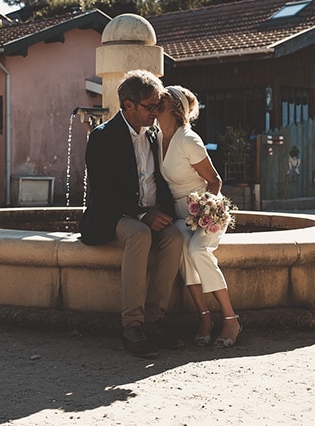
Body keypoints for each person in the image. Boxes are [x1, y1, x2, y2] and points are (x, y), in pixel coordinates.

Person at [79, 70, 185, 358]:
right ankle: (132, 326)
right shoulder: (103, 138)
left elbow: (160, 183)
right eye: (150, 106)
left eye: (157, 106)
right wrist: (142, 216)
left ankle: (155, 320)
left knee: (175, 236)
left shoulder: (154, 135)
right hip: (112, 218)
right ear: (128, 106)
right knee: (139, 234)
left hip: (151, 215)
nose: (156, 111)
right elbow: (103, 193)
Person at [155, 85, 243, 348]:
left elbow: (214, 181)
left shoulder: (188, 139)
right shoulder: (158, 137)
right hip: (181, 218)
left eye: (161, 100)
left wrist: (205, 211)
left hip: (208, 214)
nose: (155, 102)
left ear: (174, 108)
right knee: (181, 245)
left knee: (196, 249)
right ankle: (204, 318)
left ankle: (231, 319)